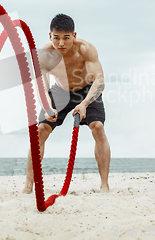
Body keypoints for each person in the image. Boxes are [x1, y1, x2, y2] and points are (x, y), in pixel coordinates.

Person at [22, 14, 111, 194]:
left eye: (66, 38)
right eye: (56, 38)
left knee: (98, 127)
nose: (61, 43)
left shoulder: (86, 49)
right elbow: (42, 85)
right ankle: (28, 185)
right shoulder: (45, 55)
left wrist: (85, 103)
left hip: (86, 89)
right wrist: (47, 107)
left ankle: (104, 185)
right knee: (40, 130)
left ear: (74, 36)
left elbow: (99, 81)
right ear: (50, 36)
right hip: (60, 91)